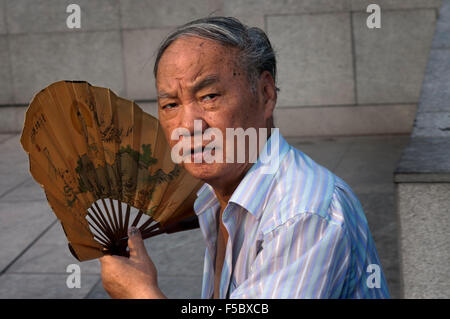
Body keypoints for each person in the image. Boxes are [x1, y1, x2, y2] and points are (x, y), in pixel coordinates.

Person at [99, 16, 390, 299]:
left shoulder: (301, 215)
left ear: (265, 94)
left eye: (209, 96)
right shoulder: (216, 197)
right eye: (171, 104)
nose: (188, 125)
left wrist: (140, 294)